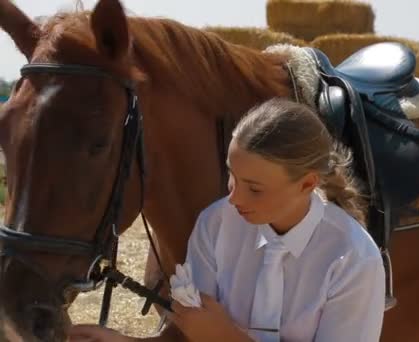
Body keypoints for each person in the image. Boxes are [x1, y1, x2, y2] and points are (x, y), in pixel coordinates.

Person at [69, 98, 386, 342]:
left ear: (306, 184)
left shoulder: (354, 259)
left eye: (254, 189)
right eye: (233, 178)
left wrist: (226, 338)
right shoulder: (216, 225)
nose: (234, 200)